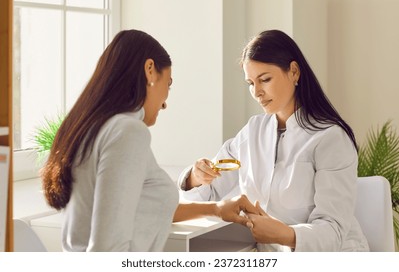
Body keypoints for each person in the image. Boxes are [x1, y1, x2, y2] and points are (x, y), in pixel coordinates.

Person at [41, 29, 257, 252]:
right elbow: (107, 248)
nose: (165, 103)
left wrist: (216, 209)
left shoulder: (90, 127)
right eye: (169, 83)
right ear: (150, 70)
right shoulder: (127, 132)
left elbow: (135, 207)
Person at [177, 30, 370, 252]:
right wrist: (196, 177)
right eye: (250, 83)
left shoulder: (330, 138)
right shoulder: (252, 132)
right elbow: (208, 196)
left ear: (294, 72)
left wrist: (285, 235)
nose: (257, 92)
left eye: (265, 79)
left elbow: (332, 231)